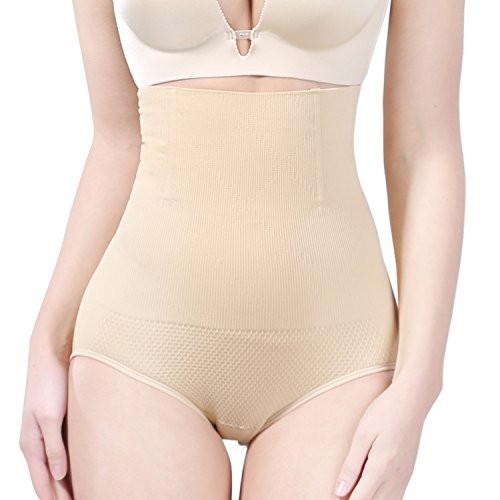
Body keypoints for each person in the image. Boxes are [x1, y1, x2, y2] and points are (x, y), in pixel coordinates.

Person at [19, 0, 465, 498]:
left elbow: (423, 150)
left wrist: (419, 382)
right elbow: (118, 141)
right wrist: (47, 343)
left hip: (340, 351)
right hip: (137, 343)